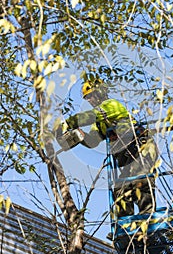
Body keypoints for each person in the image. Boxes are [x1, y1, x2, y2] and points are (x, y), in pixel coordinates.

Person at [56, 79, 158, 217]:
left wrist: (67, 123)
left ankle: (147, 217)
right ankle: (124, 222)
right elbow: (92, 141)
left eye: (91, 95)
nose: (89, 100)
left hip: (143, 149)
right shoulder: (99, 122)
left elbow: (90, 116)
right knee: (120, 188)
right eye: (87, 98)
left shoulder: (111, 105)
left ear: (100, 92)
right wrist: (79, 135)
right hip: (129, 157)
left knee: (140, 180)